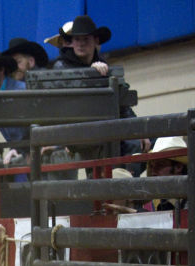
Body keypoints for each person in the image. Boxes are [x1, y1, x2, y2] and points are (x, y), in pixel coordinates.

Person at [52, 15, 149, 155]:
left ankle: (123, 175)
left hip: (104, 128)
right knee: (124, 145)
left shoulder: (103, 66)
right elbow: (69, 106)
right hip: (81, 131)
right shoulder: (62, 66)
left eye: (86, 39)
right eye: (77, 39)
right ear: (71, 42)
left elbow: (122, 106)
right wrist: (92, 73)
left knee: (142, 142)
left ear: (95, 41)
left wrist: (138, 130)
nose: (81, 44)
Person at [141, 136, 188, 211]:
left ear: (178, 167)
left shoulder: (190, 201)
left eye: (160, 165)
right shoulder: (156, 201)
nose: (153, 171)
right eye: (152, 166)